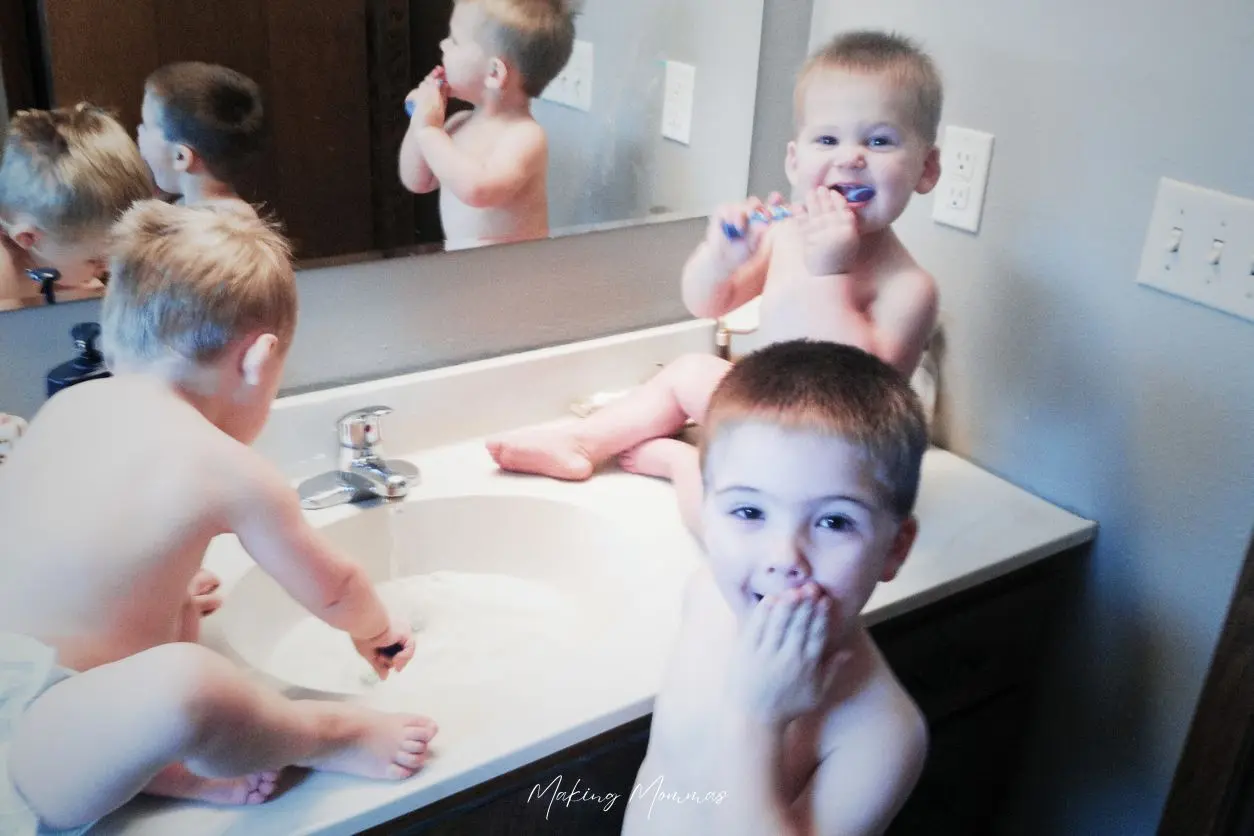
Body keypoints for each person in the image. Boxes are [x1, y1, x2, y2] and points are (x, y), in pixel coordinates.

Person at [0, 201, 436, 835]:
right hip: (31, 738)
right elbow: (334, 586)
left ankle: (170, 774)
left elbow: (62, 547)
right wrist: (377, 630)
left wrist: (160, 589)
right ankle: (328, 737)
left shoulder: (68, 406)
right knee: (190, 686)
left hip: (38, 692)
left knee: (175, 614)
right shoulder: (227, 467)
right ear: (258, 361)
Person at [486, 30, 944, 523]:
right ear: (795, 161)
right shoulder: (787, 232)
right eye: (828, 139)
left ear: (927, 169)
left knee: (728, 518)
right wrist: (720, 258)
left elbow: (851, 397)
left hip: (829, 464)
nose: (851, 157)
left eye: (879, 141)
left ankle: (687, 466)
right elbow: (708, 303)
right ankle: (581, 442)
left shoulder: (910, 288)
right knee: (687, 373)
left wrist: (830, 268)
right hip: (762, 412)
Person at [622, 340, 929, 836]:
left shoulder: (881, 734)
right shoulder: (709, 591)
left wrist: (756, 720)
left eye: (833, 521)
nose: (784, 558)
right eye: (750, 511)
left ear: (896, 548)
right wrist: (677, 463)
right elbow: (705, 520)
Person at [399, 0, 577, 248]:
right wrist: (420, 125)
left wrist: (429, 131)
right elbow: (417, 180)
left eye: (456, 40)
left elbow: (479, 191)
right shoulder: (459, 123)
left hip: (517, 277)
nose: (443, 44)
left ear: (494, 73)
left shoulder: (525, 137)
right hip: (470, 274)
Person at [0, 104, 153, 302]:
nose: (109, 266)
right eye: (95, 260)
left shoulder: (46, 252)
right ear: (28, 237)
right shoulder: (5, 278)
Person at [138, 62, 265, 214]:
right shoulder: (194, 210)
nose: (139, 132)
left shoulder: (224, 229)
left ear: (181, 157)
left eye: (146, 126)